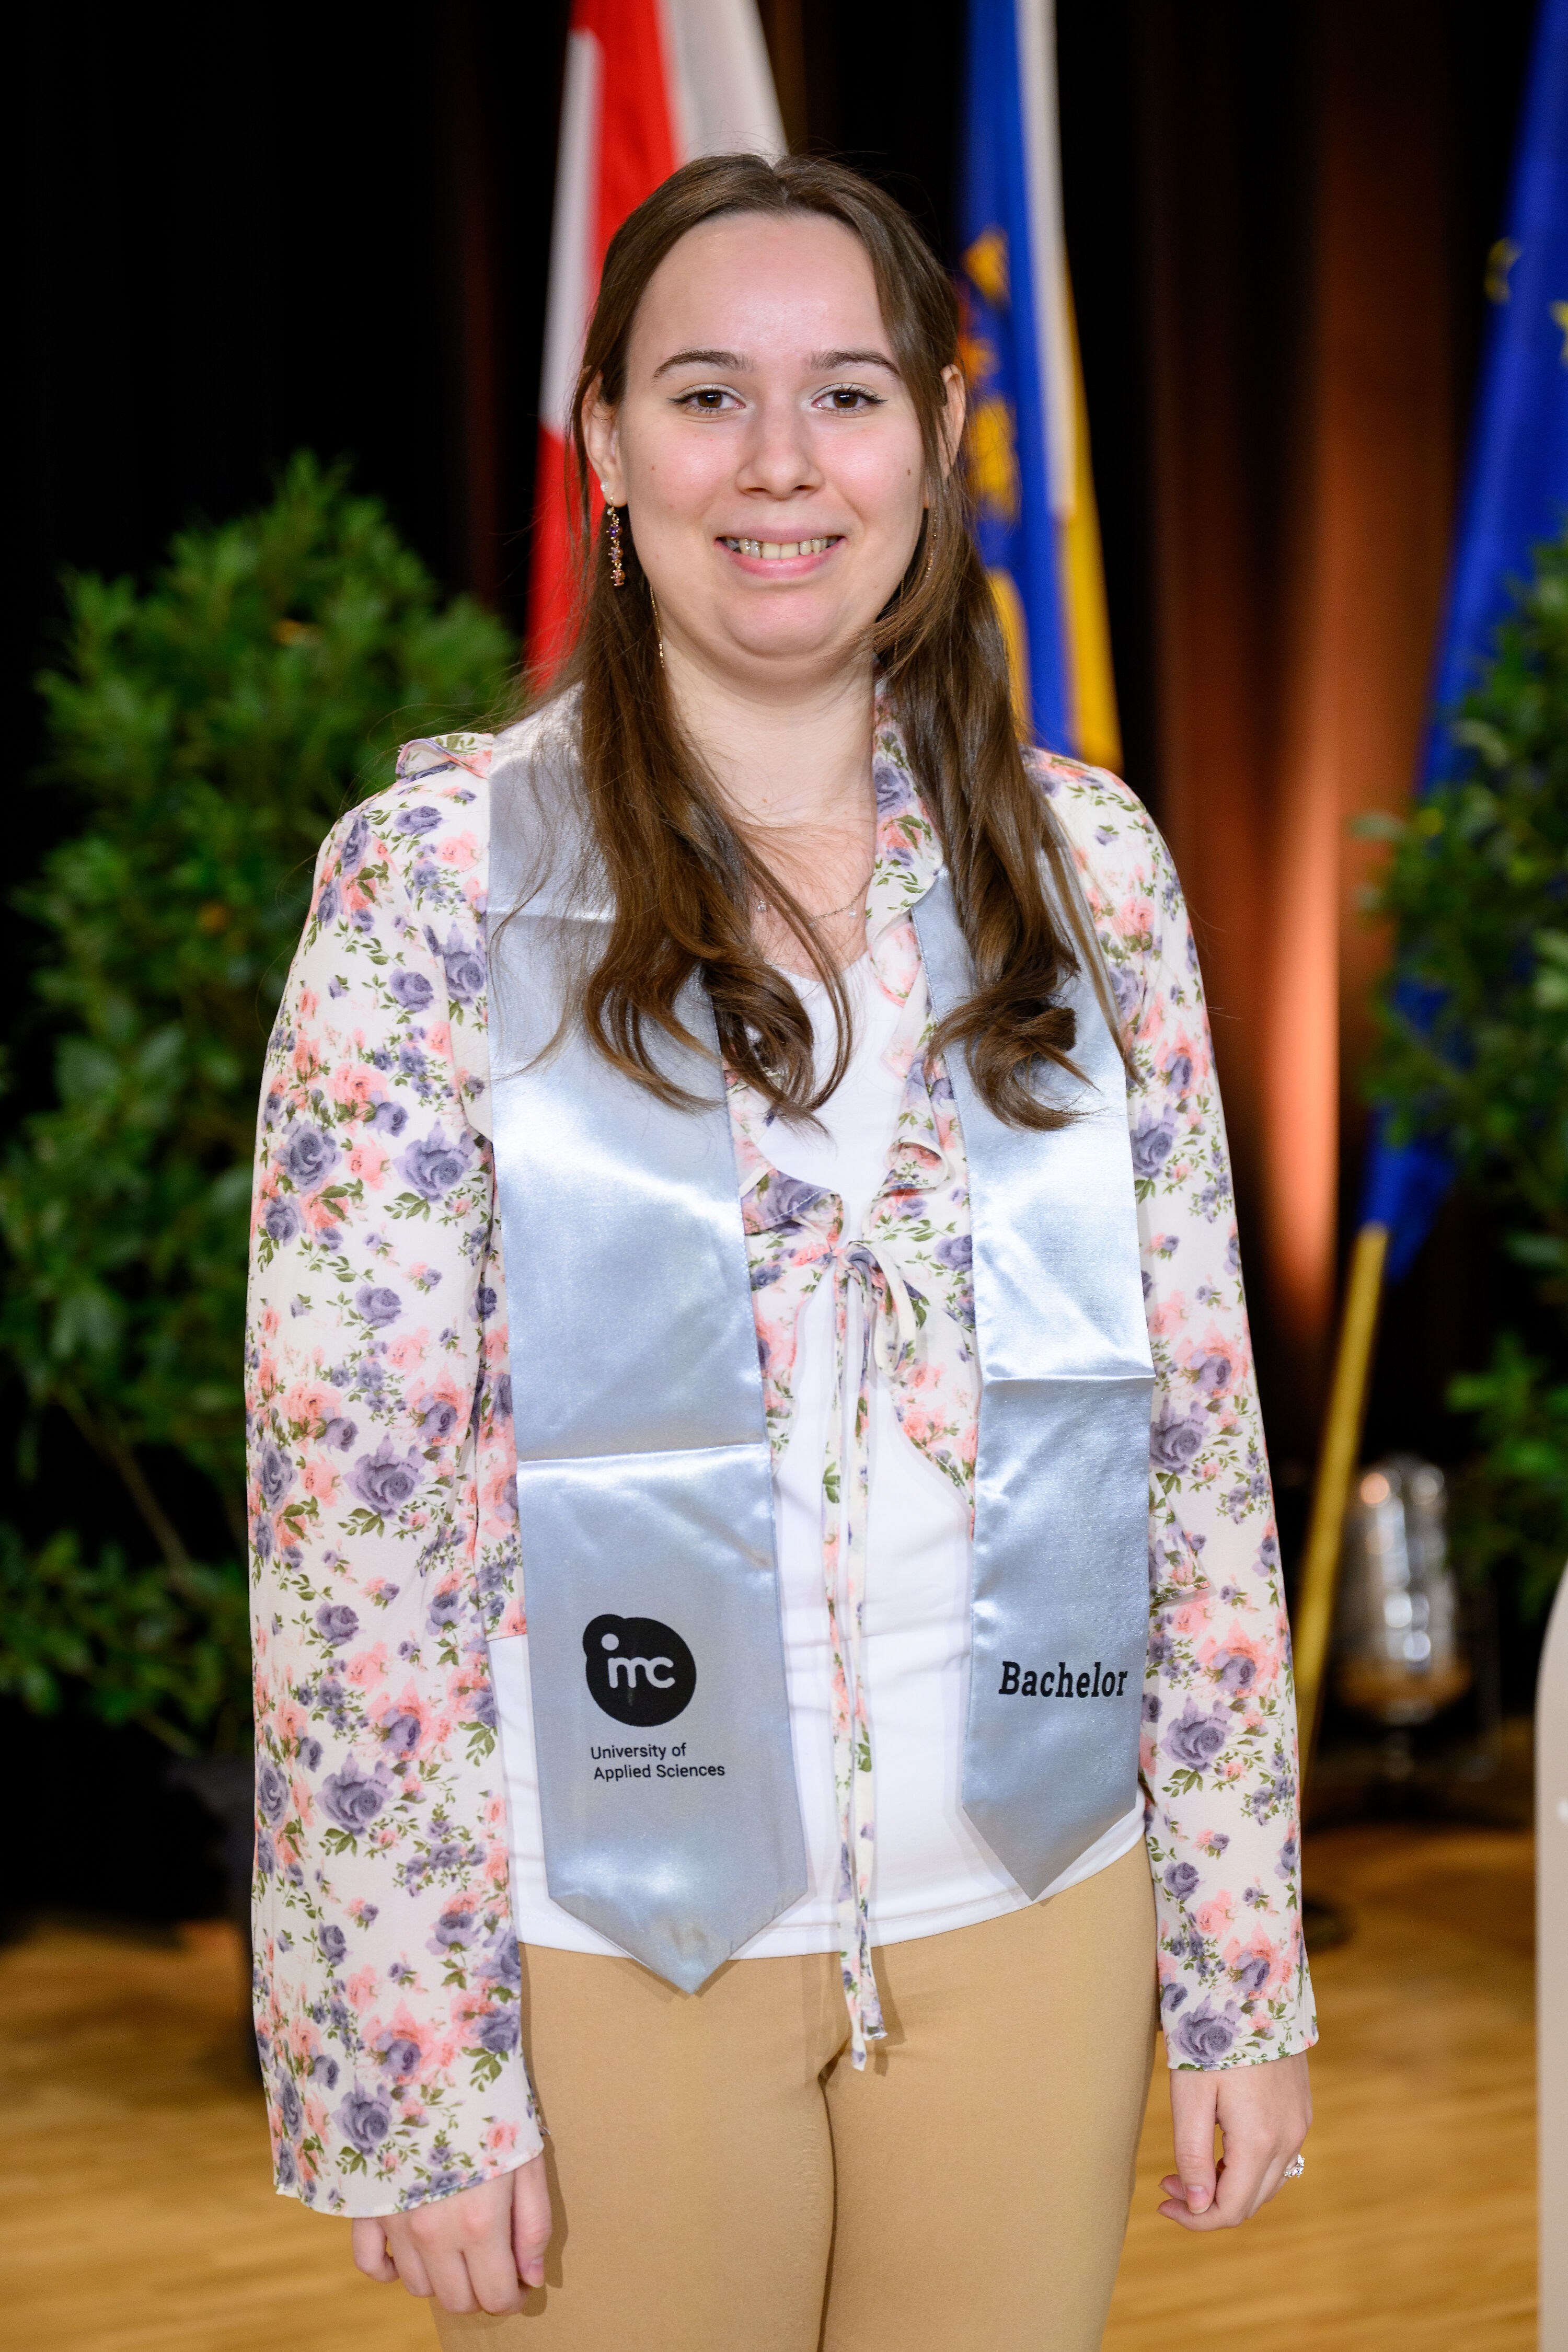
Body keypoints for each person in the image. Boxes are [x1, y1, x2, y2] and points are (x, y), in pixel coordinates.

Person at [246, 153, 1314, 2352]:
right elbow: (349, 1512)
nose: (779, 463)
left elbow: (1198, 1447)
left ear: (937, 437)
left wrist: (1238, 1967)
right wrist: (413, 2068)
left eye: (845, 394)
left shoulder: (1086, 871)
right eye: (707, 393)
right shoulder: (438, 884)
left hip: (1034, 1902)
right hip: (602, 1929)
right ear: (607, 443)